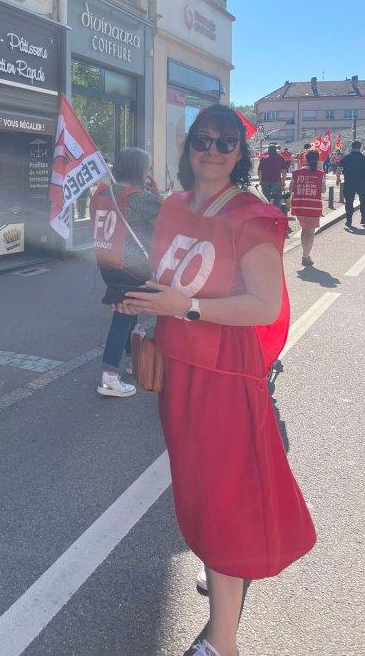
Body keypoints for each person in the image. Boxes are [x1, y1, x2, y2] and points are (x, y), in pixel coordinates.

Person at [121, 105, 315, 656]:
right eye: (202, 140)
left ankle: (222, 642)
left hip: (224, 375)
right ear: (188, 147)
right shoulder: (175, 206)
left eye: (225, 142)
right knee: (201, 496)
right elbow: (169, 276)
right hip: (179, 368)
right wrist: (147, 305)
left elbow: (263, 304)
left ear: (239, 151)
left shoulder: (252, 214)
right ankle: (220, 588)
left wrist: (188, 307)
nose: (212, 149)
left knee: (225, 502)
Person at [89, 148, 161, 398]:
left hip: (109, 266)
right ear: (141, 170)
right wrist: (156, 192)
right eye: (148, 168)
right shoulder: (139, 198)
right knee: (123, 316)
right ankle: (108, 375)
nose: (150, 172)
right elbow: (168, 218)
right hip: (132, 268)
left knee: (129, 311)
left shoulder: (103, 192)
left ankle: (133, 358)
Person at [289, 149, 325, 267]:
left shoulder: (297, 173)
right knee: (310, 232)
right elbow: (323, 190)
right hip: (313, 207)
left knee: (305, 230)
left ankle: (305, 254)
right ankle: (306, 256)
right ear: (317, 159)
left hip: (299, 206)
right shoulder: (320, 174)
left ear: (306, 159)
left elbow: (290, 189)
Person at [336, 140, 365, 228]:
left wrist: (338, 179)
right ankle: (363, 219)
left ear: (352, 147)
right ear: (360, 147)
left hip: (349, 182)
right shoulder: (363, 158)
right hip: (362, 183)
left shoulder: (346, 158)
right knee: (363, 201)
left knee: (349, 202)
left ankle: (349, 220)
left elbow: (339, 170)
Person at [257, 143, 287, 209]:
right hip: (276, 180)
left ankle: (267, 213)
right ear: (275, 150)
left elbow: (259, 171)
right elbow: (284, 170)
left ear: (268, 150)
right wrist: (283, 181)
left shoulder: (264, 158)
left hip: (265, 180)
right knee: (277, 198)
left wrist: (260, 180)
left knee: (265, 198)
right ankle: (276, 213)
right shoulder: (280, 157)